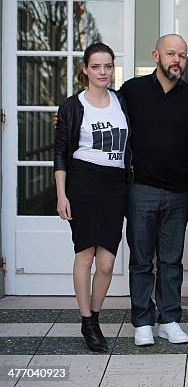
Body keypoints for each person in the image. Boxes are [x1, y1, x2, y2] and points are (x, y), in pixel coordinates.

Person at [120, 34, 188, 346]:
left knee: (171, 260)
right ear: (156, 55)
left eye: (182, 55)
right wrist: (68, 113)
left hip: (179, 192)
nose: (177, 60)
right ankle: (142, 321)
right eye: (171, 54)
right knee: (141, 260)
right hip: (141, 189)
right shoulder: (132, 90)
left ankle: (169, 319)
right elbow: (100, 109)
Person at [54, 42, 130, 352]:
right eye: (96, 66)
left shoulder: (122, 101)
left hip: (115, 185)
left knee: (108, 262)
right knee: (85, 255)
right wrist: (61, 195)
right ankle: (88, 321)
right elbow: (60, 153)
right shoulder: (72, 106)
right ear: (85, 69)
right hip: (83, 182)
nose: (102, 72)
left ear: (113, 69)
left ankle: (95, 315)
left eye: (108, 66)